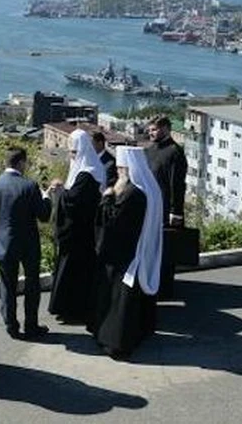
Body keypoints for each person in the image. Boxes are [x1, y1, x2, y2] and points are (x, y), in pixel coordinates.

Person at [92, 146, 164, 359]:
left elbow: (112, 221)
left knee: (119, 302)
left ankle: (117, 344)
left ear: (127, 168)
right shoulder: (149, 187)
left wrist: (107, 197)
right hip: (139, 249)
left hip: (124, 254)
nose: (118, 173)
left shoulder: (132, 193)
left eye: (120, 169)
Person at [0, 147, 52, 340]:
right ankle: (31, 325)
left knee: (7, 286)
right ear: (21, 162)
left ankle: (11, 326)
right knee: (32, 285)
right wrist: (46, 197)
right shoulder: (30, 186)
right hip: (29, 245)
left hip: (4, 243)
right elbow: (44, 216)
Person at [47, 128, 106, 324]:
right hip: (75, 232)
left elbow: (74, 201)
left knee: (74, 273)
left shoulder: (88, 174)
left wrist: (61, 189)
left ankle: (73, 310)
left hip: (80, 234)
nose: (71, 156)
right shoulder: (83, 170)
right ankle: (66, 309)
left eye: (74, 152)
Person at [143, 116, 188, 298]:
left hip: (165, 211)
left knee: (166, 250)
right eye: (150, 130)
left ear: (167, 129)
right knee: (153, 249)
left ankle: (165, 288)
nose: (151, 133)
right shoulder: (150, 150)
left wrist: (175, 212)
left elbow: (176, 185)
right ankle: (152, 283)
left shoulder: (174, 153)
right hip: (150, 209)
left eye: (154, 129)